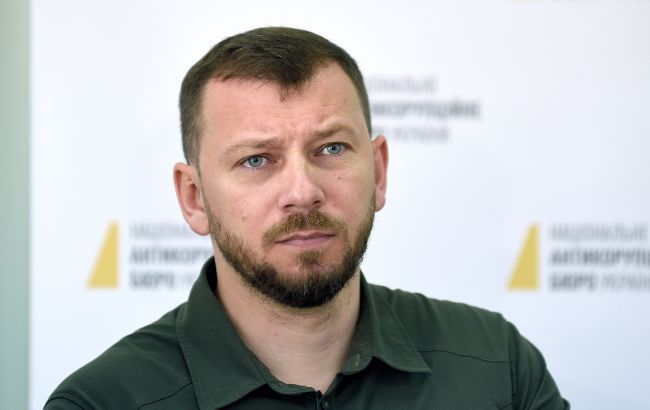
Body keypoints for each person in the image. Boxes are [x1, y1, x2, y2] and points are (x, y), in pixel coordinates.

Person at [46, 27, 569, 409]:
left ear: (378, 171)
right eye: (257, 160)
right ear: (194, 198)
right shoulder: (104, 401)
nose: (303, 192)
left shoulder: (497, 366)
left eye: (332, 148)